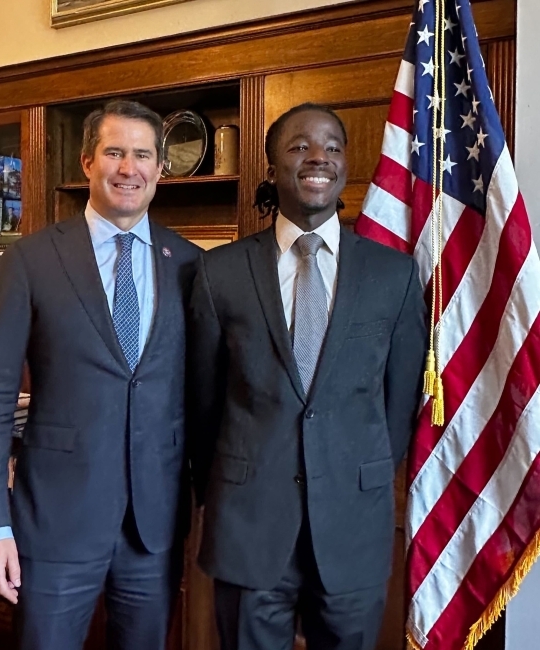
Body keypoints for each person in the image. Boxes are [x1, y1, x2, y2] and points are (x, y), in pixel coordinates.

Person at [188, 103, 427, 650]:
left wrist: (350, 469)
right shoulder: (218, 272)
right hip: (249, 524)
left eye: (333, 147)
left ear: (345, 166)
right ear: (272, 167)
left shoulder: (393, 275)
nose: (318, 156)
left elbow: (397, 406)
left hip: (351, 524)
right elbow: (202, 403)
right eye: (299, 146)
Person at [0, 100, 200, 650]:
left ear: (160, 169)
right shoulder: (30, 260)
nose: (129, 168)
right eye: (114, 152)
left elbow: (199, 395)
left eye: (143, 155)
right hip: (55, 520)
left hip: (154, 527)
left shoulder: (190, 263)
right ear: (86, 162)